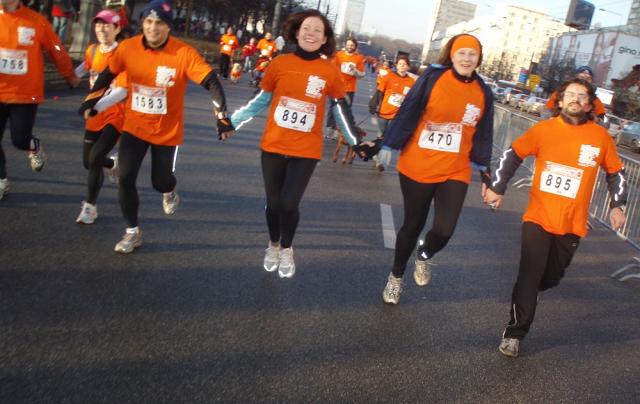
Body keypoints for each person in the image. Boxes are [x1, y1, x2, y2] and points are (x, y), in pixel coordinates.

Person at [220, 9, 377, 279]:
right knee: (273, 204)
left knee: (289, 204)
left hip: (306, 150)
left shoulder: (329, 71)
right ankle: (273, 244)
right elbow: (261, 101)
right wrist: (232, 122)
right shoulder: (280, 63)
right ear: (296, 32)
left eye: (318, 30)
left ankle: (287, 248)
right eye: (307, 28)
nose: (311, 34)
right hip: (274, 145)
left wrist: (355, 142)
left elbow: (340, 109)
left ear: (325, 38)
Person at [484, 78, 627, 358]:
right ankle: (514, 333)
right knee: (530, 274)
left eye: (582, 95)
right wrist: (497, 188)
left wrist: (617, 205)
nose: (576, 99)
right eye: (570, 94)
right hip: (538, 217)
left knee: (551, 277)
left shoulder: (600, 137)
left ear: (589, 105)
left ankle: (529, 293)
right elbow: (513, 154)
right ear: (560, 101)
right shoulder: (544, 129)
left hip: (572, 223)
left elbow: (615, 172)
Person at [78, 0, 231, 253]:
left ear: (168, 27)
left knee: (160, 182)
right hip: (134, 126)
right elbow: (108, 74)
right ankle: (132, 231)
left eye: (159, 22)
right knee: (126, 177)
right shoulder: (128, 48)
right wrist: (91, 101)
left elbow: (211, 81)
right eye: (148, 21)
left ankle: (169, 190)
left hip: (166, 132)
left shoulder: (182, 53)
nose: (153, 28)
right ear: (142, 24)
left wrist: (222, 117)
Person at [376, 34, 494, 304]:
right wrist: (387, 143)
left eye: (472, 54)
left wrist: (486, 172)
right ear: (451, 54)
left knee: (445, 229)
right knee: (413, 224)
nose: (466, 59)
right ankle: (396, 277)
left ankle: (425, 254)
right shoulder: (432, 78)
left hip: (455, 169)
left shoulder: (483, 92)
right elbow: (408, 110)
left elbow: (484, 134)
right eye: (461, 53)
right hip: (418, 164)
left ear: (479, 59)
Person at [0, 0, 79, 201]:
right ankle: (1, 180)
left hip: (25, 94)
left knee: (19, 140)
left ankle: (33, 145)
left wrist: (69, 74)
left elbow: (56, 48)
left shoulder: (36, 21)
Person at [74, 9, 127, 224]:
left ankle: (90, 207)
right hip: (94, 115)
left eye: (106, 25)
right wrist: (71, 75)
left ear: (117, 29)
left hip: (116, 113)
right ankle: (112, 164)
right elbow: (86, 67)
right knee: (89, 162)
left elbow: (122, 90)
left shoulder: (123, 55)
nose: (101, 29)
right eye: (98, 25)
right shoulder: (93, 50)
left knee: (95, 156)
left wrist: (96, 104)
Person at [369, 56, 416, 171]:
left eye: (405, 64)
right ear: (396, 65)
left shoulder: (411, 82)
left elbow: (412, 99)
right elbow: (379, 92)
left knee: (389, 137)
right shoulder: (389, 77)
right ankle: (376, 154)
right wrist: (373, 105)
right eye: (400, 64)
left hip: (397, 115)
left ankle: (381, 162)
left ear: (408, 67)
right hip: (384, 112)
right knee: (381, 135)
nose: (402, 66)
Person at [325, 38, 366, 138]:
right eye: (348, 45)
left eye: (352, 45)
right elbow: (332, 68)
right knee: (332, 108)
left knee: (344, 111)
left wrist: (355, 70)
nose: (350, 47)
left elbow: (362, 75)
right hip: (336, 87)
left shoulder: (358, 58)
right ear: (345, 45)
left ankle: (339, 131)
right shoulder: (339, 55)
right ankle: (330, 129)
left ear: (355, 47)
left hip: (349, 89)